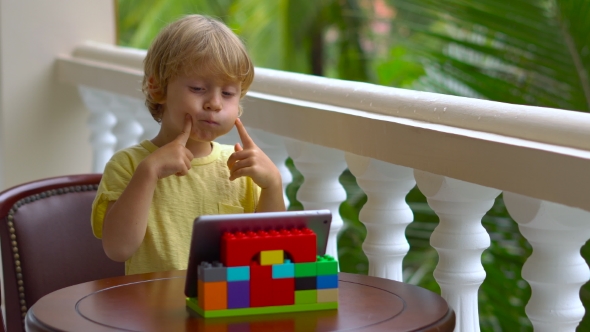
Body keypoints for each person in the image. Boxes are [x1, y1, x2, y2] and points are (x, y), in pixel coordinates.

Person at [91, 14, 285, 275]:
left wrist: (273, 185)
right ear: (157, 88)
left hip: (228, 309)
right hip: (152, 313)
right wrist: (148, 173)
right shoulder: (129, 165)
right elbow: (118, 249)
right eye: (197, 88)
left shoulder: (241, 168)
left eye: (228, 93)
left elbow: (274, 256)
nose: (214, 103)